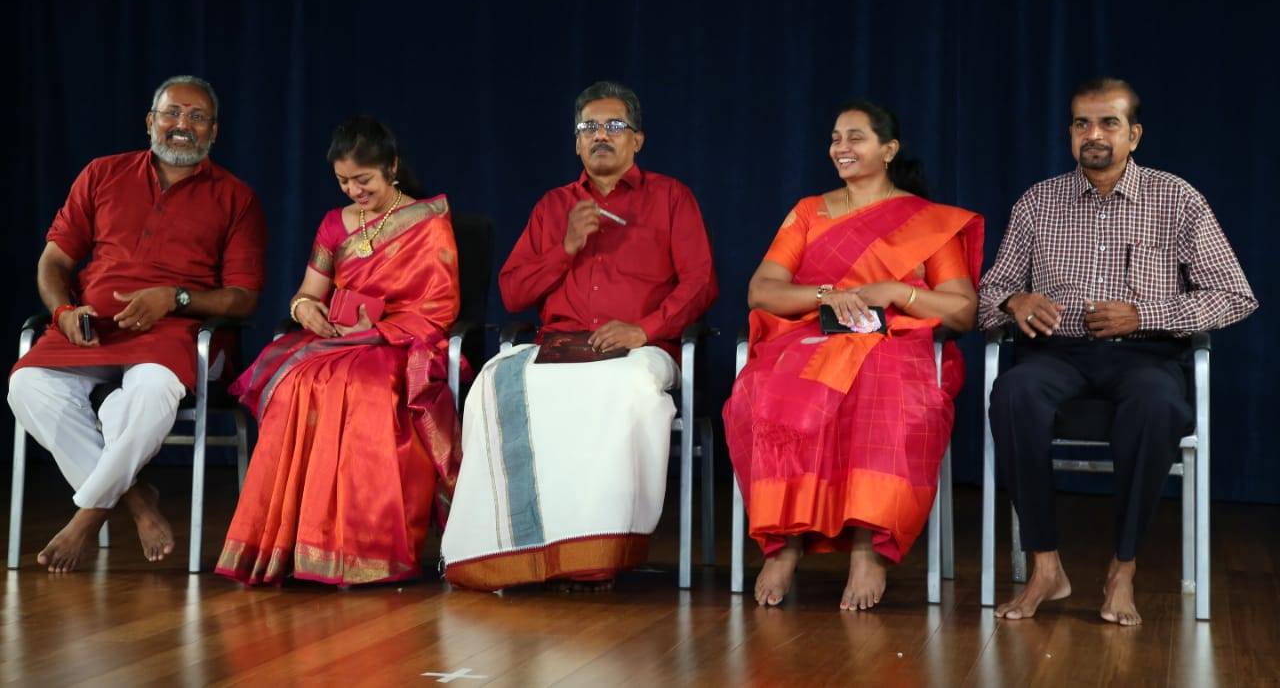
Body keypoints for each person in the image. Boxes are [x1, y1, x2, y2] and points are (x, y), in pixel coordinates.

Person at [979, 77, 1256, 625]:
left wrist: (1146, 314)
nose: (1093, 135)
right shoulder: (1038, 202)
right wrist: (1015, 300)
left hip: (1145, 356)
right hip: (1055, 354)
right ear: (1069, 133)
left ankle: (1122, 568)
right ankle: (1045, 565)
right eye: (1082, 123)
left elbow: (1234, 295)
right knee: (1012, 392)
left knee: (1157, 406)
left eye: (1108, 123)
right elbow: (987, 294)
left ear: (1135, 134)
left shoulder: (1176, 198)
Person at [441, 81, 718, 591]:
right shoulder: (554, 206)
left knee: (621, 389)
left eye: (615, 126)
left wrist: (644, 329)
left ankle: (596, 554)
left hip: (642, 348)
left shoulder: (671, 197)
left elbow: (701, 284)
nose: (601, 136)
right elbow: (512, 292)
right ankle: (509, 552)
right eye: (589, 127)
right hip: (563, 343)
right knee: (490, 382)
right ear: (575, 144)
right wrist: (565, 246)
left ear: (638, 140)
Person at [724, 100, 983, 610]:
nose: (842, 148)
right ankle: (785, 543)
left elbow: (962, 311)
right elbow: (762, 291)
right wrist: (825, 295)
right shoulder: (808, 212)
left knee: (883, 386)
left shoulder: (926, 222)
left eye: (856, 138)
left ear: (888, 150)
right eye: (836, 138)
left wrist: (895, 291)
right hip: (809, 341)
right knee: (766, 387)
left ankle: (869, 548)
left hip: (894, 345)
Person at [8, 75, 266, 572]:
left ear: (214, 131)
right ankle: (136, 500)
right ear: (151, 121)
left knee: (144, 396)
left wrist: (176, 297)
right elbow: (54, 262)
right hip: (91, 328)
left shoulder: (237, 198)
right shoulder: (102, 174)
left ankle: (85, 520)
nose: (182, 126)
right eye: (172, 113)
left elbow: (243, 298)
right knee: (28, 384)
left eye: (197, 118)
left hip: (177, 334)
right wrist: (63, 312)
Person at [216, 116, 461, 586]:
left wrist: (381, 329)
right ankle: (291, 546)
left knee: (362, 388)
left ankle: (362, 550)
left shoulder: (427, 225)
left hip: (399, 343)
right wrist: (305, 308)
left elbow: (438, 308)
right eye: (344, 181)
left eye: (363, 179)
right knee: (293, 384)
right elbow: (309, 292)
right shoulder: (334, 223)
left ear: (391, 167)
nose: (354, 191)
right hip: (334, 338)